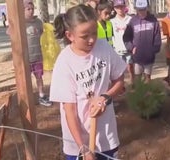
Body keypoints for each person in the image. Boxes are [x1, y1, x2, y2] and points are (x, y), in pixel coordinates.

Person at [51, 4, 126, 160]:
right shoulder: (65, 62)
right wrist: (84, 149)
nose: (92, 39)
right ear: (70, 35)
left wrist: (105, 97)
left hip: (106, 136)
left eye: (94, 32)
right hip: (77, 144)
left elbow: (119, 80)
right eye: (85, 36)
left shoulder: (104, 47)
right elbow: (69, 111)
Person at [6, 0, 52, 106]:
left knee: (39, 77)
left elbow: (44, 37)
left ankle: (41, 95)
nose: (31, 11)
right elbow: (9, 32)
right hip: (25, 59)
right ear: (22, 10)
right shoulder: (20, 23)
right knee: (26, 80)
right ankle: (27, 98)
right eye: (28, 9)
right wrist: (14, 25)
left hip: (37, 57)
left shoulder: (38, 23)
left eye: (32, 9)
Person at [123, 0, 161, 83]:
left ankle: (148, 94)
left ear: (147, 8)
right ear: (136, 9)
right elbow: (126, 37)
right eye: (140, 10)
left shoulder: (153, 20)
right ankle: (139, 94)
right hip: (137, 56)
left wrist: (154, 49)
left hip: (149, 56)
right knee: (137, 78)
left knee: (147, 78)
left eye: (144, 9)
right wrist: (131, 47)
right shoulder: (133, 21)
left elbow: (157, 36)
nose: (142, 12)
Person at [110, 0, 134, 85]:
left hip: (128, 48)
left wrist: (133, 46)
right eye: (117, 7)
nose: (120, 9)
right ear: (114, 8)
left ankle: (133, 83)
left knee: (130, 67)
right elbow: (111, 35)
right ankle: (121, 85)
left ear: (125, 7)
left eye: (121, 7)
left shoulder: (130, 19)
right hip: (118, 49)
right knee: (120, 70)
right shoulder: (111, 21)